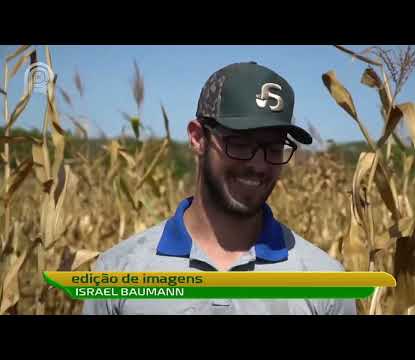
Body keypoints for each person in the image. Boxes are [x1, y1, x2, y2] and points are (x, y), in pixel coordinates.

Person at [83, 62, 357, 315]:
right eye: (240, 144)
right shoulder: (119, 271)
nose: (259, 165)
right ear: (197, 138)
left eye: (273, 148)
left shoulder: (326, 282)